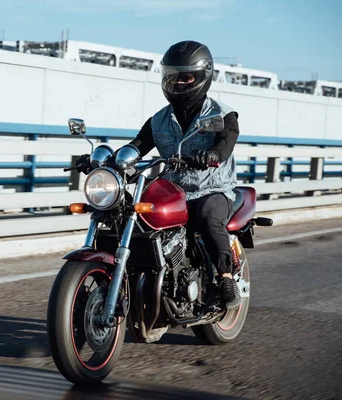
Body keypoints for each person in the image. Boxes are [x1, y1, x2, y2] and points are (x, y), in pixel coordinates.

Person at [79, 40, 242, 309]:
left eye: (185, 77)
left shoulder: (222, 115)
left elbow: (225, 145)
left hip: (211, 189)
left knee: (208, 217)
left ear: (203, 76)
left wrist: (212, 155)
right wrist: (107, 162)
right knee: (133, 216)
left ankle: (225, 277)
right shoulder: (159, 119)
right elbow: (137, 146)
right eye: (172, 77)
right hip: (173, 190)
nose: (177, 83)